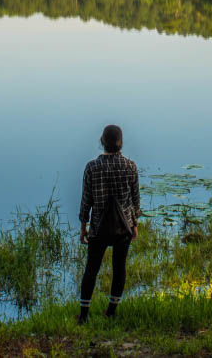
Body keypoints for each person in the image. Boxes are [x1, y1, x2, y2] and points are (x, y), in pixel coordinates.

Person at [77, 124, 141, 324]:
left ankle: (84, 315)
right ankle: (111, 311)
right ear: (120, 143)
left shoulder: (92, 167)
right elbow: (135, 199)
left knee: (91, 269)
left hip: (98, 228)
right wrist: (135, 225)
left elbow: (86, 199)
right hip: (124, 227)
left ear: (102, 141)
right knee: (119, 267)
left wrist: (83, 227)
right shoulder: (130, 166)